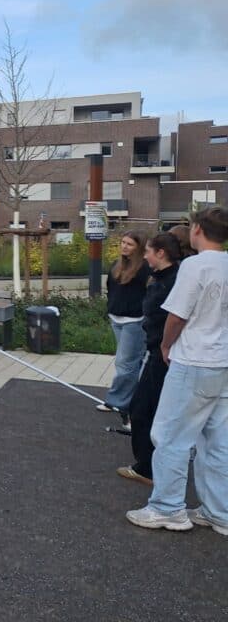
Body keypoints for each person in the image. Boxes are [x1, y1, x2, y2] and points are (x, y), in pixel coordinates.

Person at [127, 207, 228, 534]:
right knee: (217, 441)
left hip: (194, 360)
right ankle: (219, 511)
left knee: (169, 435)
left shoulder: (194, 266)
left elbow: (177, 315)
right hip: (223, 362)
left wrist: (167, 346)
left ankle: (168, 508)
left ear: (197, 229)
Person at [117, 233, 181, 485]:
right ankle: (148, 464)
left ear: (161, 253)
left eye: (148, 252)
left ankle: (148, 468)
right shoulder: (165, 278)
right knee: (145, 409)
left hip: (163, 354)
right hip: (158, 351)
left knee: (144, 410)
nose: (145, 256)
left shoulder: (172, 281)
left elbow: (175, 319)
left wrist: (165, 345)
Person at [99, 231, 150, 419]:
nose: (124, 246)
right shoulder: (116, 265)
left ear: (139, 247)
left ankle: (117, 401)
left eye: (129, 244)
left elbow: (148, 292)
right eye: (123, 242)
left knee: (125, 363)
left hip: (134, 321)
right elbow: (110, 289)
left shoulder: (144, 268)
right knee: (129, 362)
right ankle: (130, 399)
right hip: (117, 318)